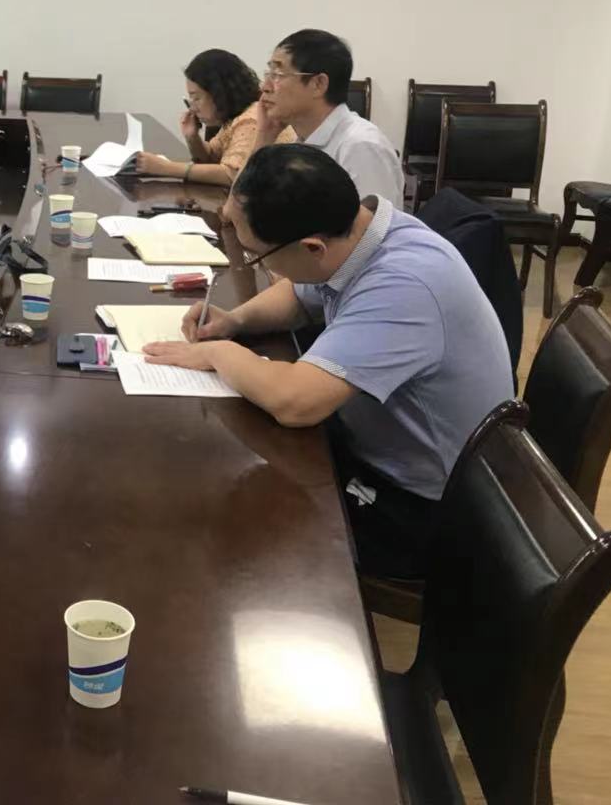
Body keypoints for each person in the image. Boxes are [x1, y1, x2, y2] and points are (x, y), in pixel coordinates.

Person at [142, 144, 513, 577]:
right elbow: (300, 294)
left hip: (423, 510)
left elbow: (296, 402)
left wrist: (214, 352)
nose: (255, 264)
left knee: (231, 527)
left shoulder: (405, 285)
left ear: (312, 247)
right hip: (375, 450)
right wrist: (235, 321)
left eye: (256, 255)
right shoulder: (364, 231)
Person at [255, 28, 403, 205]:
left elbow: (375, 223)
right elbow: (240, 211)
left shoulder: (360, 148)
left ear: (318, 84)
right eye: (269, 74)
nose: (265, 87)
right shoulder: (302, 142)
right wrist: (264, 135)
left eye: (277, 75)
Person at [133, 49, 296, 184]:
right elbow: (212, 157)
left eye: (196, 98)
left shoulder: (251, 119)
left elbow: (232, 174)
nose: (193, 107)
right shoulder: (235, 118)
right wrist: (192, 137)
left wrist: (165, 168)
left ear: (219, 93)